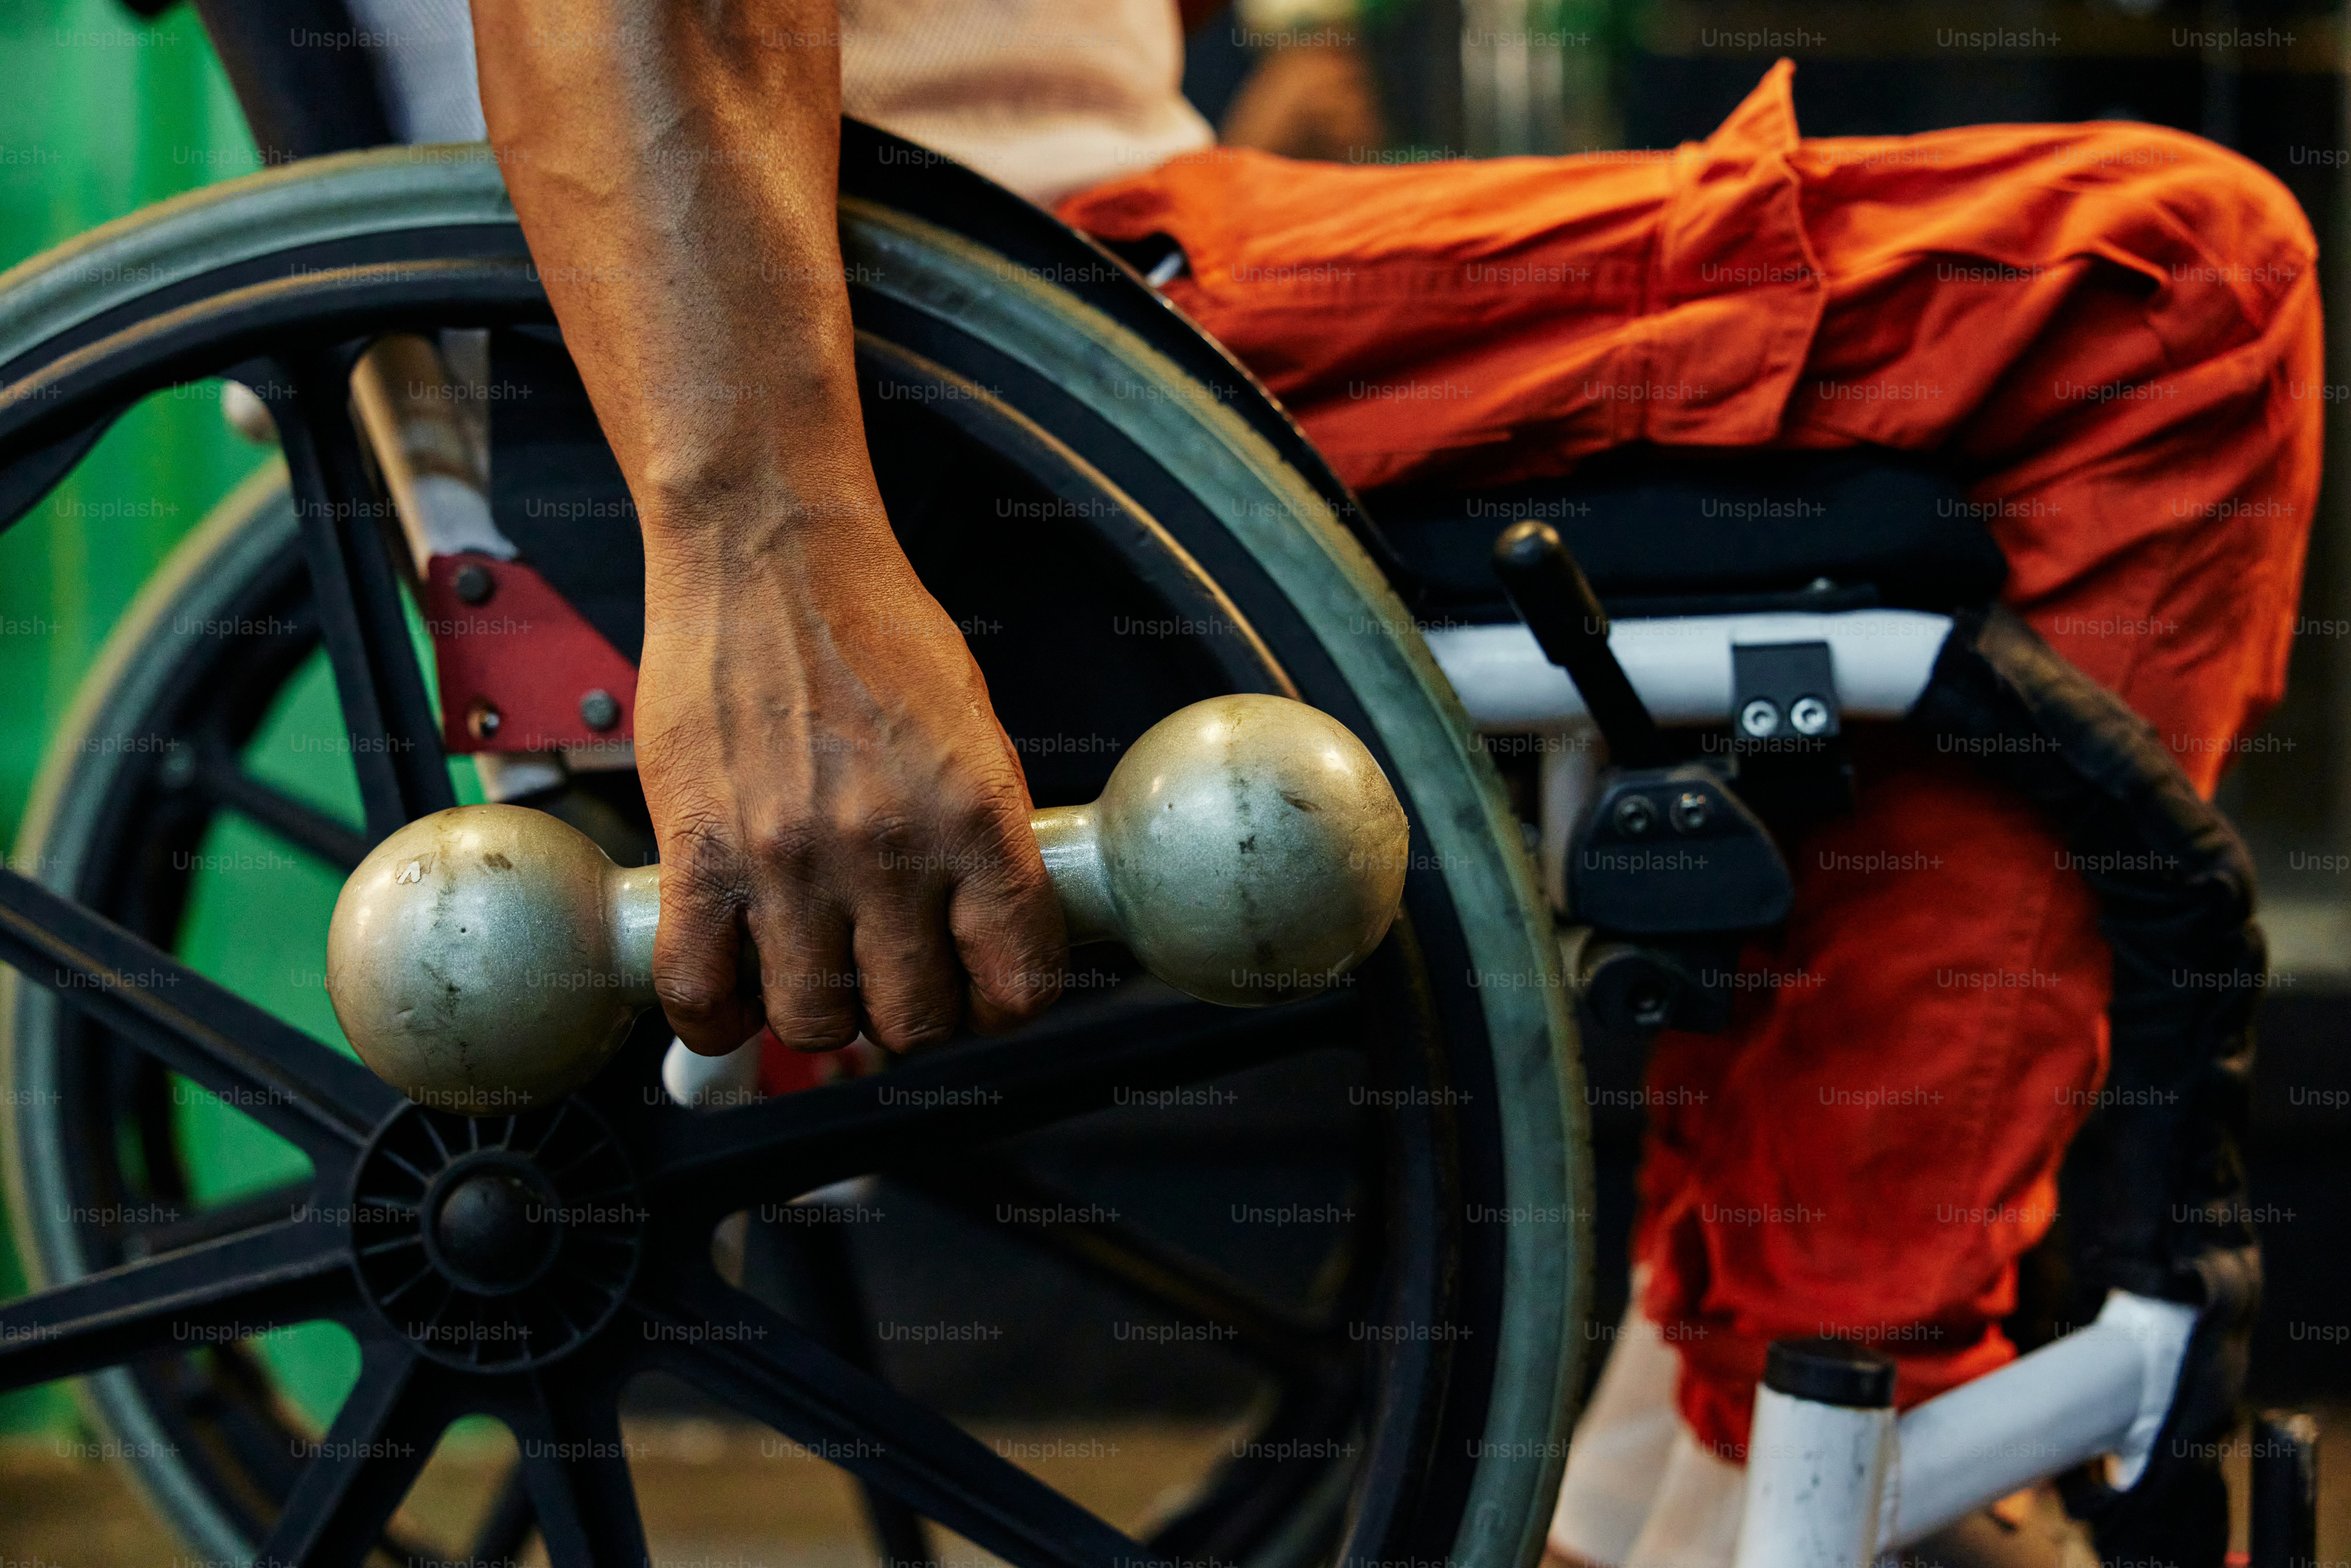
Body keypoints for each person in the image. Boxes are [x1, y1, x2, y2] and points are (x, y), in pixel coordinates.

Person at [462, 4, 2317, 1562]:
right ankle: (1826, 1413)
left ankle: (1728, 1431)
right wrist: (767, 558)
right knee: (2173, 284)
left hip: (1085, 225)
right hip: (980, 299)